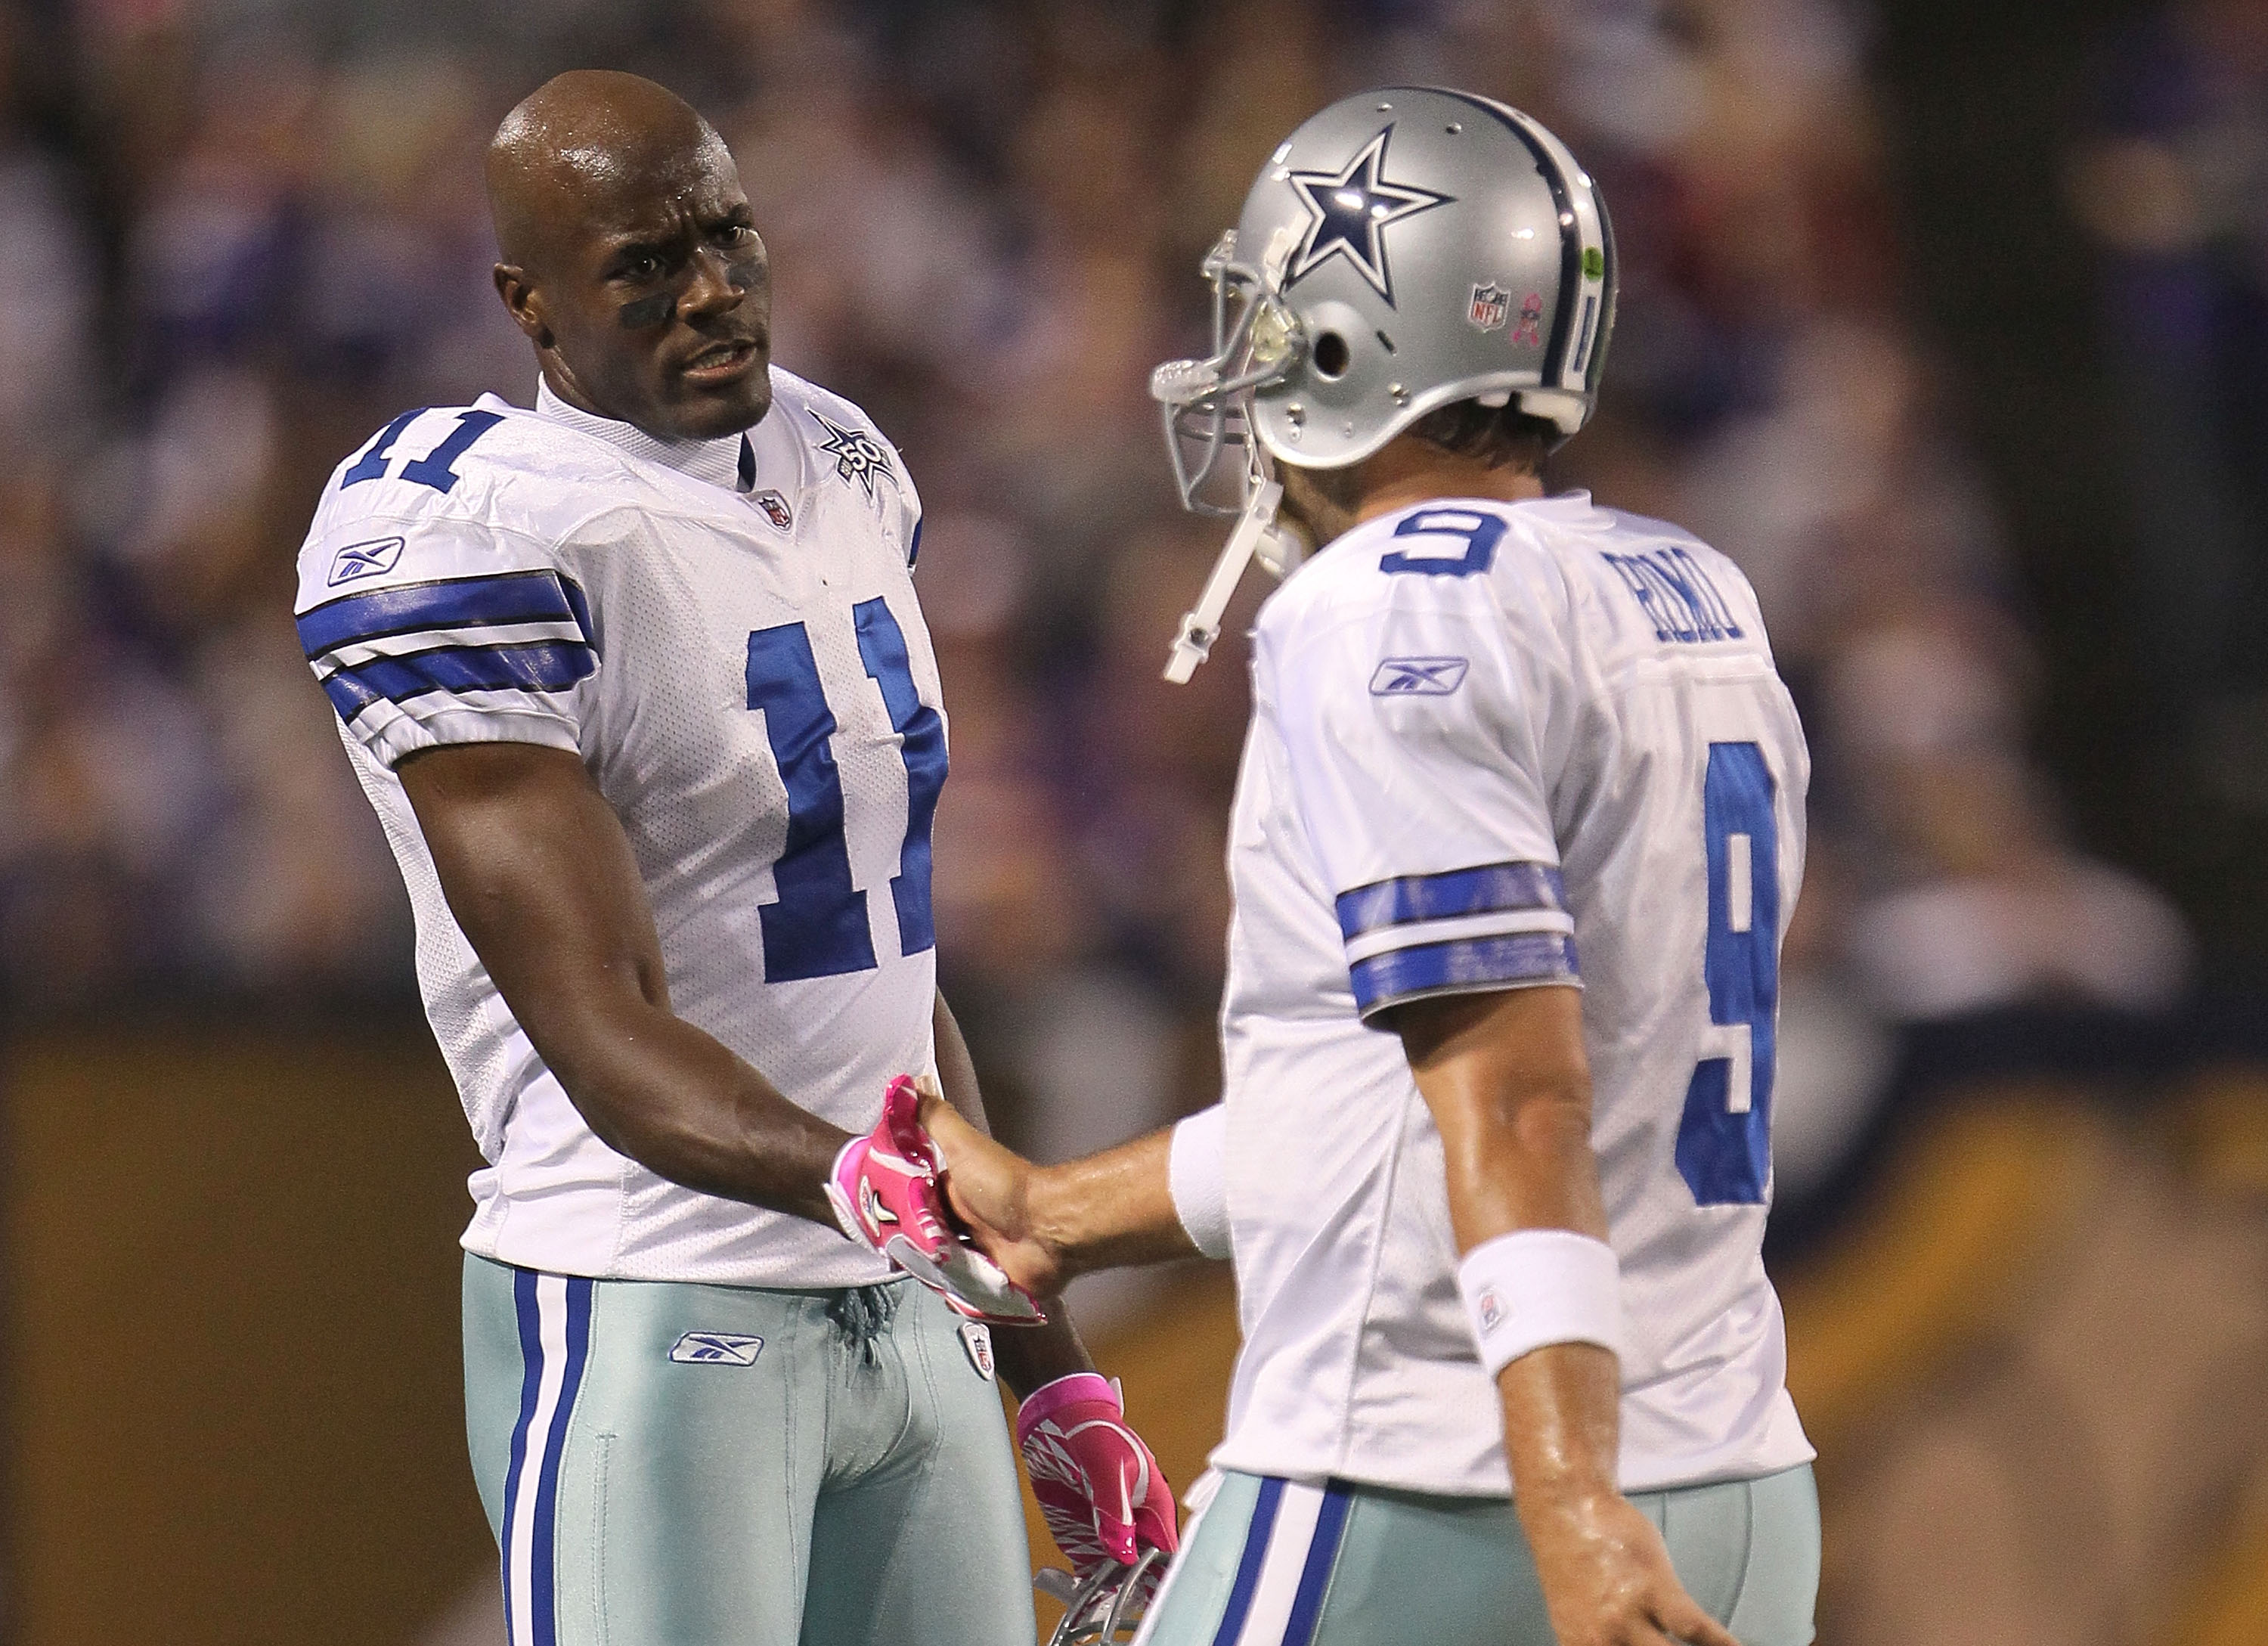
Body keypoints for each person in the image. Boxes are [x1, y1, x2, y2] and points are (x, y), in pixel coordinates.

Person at [917, 87, 1820, 1646]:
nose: (1243, 364)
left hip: (1450, 1487)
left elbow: (1519, 1097)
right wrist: (1065, 1212)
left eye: (1273, 320)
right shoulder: (1688, 586)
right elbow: (1388, 1114)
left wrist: (1572, 1506)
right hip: (1742, 1483)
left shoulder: (1388, 611)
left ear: (1348, 340)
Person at [289, 71, 1173, 1646]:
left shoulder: (838, 459)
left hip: (909, 1316)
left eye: (730, 238)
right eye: (643, 265)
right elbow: (601, 1028)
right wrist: (854, 1180)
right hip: (657, 1297)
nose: (711, 293)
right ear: (532, 306)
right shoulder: (472, 528)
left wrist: (1049, 1362)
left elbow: (888, 976)